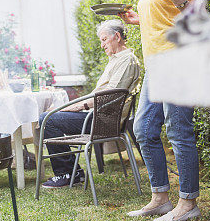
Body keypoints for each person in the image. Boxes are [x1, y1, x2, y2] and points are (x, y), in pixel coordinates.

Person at [118, 0, 206, 221]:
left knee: (179, 132)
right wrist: (139, 19)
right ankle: (160, 198)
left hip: (177, 60)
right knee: (143, 128)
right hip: (157, 65)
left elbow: (198, 14)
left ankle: (188, 202)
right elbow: (165, 17)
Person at [38, 19, 141, 188]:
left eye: (104, 39)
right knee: (51, 117)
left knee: (47, 119)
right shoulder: (116, 60)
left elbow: (109, 96)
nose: (102, 45)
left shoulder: (126, 60)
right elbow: (99, 94)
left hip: (104, 123)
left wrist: (75, 106)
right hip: (98, 118)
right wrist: (69, 107)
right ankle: (71, 172)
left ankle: (68, 173)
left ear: (117, 36)